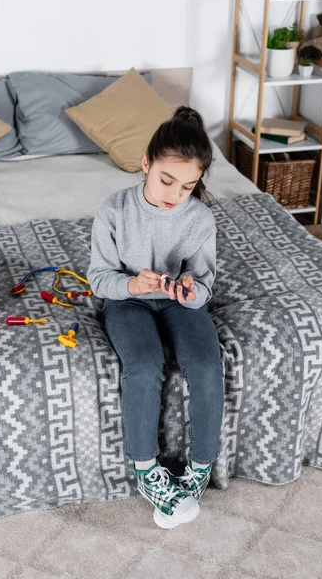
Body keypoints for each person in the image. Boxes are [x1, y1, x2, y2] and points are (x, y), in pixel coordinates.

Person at [87, 106, 224, 530]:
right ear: (146, 163)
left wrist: (188, 289)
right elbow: (98, 279)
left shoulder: (200, 219)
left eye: (188, 185)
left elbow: (204, 284)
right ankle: (148, 471)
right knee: (144, 366)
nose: (175, 193)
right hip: (127, 300)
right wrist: (132, 286)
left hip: (175, 299)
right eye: (167, 179)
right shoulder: (113, 210)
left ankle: (200, 468)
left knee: (205, 363)